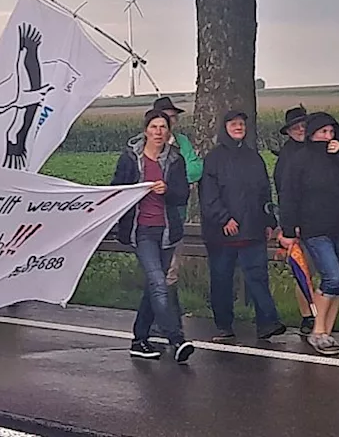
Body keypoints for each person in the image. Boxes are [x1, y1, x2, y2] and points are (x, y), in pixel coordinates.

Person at [279, 112, 339, 356]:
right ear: (312, 134)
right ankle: (317, 331)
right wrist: (287, 229)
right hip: (315, 229)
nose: (327, 137)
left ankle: (326, 333)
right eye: (323, 132)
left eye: (331, 132)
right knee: (331, 277)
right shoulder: (300, 160)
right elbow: (288, 196)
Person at [113, 110, 194, 364]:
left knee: (153, 287)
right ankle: (176, 339)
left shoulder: (175, 160)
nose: (159, 131)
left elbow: (182, 195)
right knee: (159, 282)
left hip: (167, 230)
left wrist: (167, 190)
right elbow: (117, 189)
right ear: (146, 130)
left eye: (163, 127)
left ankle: (139, 340)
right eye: (154, 126)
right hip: (142, 230)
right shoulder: (130, 159)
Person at [200, 111, 285, 342]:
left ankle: (268, 322)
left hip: (253, 229)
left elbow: (264, 191)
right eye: (233, 124)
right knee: (222, 280)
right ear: (224, 128)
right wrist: (223, 218)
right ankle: (224, 325)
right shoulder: (214, 158)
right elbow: (208, 195)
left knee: (257, 277)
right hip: (222, 233)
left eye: (241, 123)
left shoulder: (253, 157)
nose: (239, 127)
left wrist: (270, 221)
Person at [147, 97, 201, 323]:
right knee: (157, 271)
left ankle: (167, 319)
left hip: (174, 215)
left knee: (170, 269)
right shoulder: (142, 145)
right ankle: (165, 320)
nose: (169, 121)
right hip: (149, 217)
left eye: (172, 117)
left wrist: (175, 183)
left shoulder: (181, 142)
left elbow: (196, 167)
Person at [273, 105, 316, 335]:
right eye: (295, 127)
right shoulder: (287, 158)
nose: (300, 130)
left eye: (303, 125)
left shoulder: (317, 149)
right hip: (297, 225)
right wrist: (289, 225)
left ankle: (318, 314)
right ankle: (307, 316)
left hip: (320, 220)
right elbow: (284, 194)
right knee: (303, 270)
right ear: (288, 132)